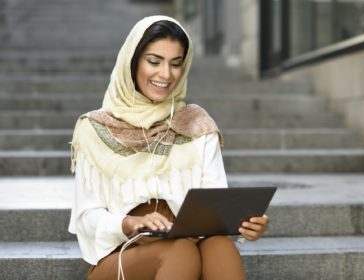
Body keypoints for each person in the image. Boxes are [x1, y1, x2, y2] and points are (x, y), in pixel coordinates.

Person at [68, 15, 269, 280]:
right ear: (132, 60)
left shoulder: (196, 124)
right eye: (154, 61)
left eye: (176, 64)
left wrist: (244, 225)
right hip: (122, 257)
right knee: (179, 250)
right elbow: (86, 216)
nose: (166, 74)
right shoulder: (93, 128)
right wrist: (129, 223)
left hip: (188, 245)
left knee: (219, 245)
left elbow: (214, 205)